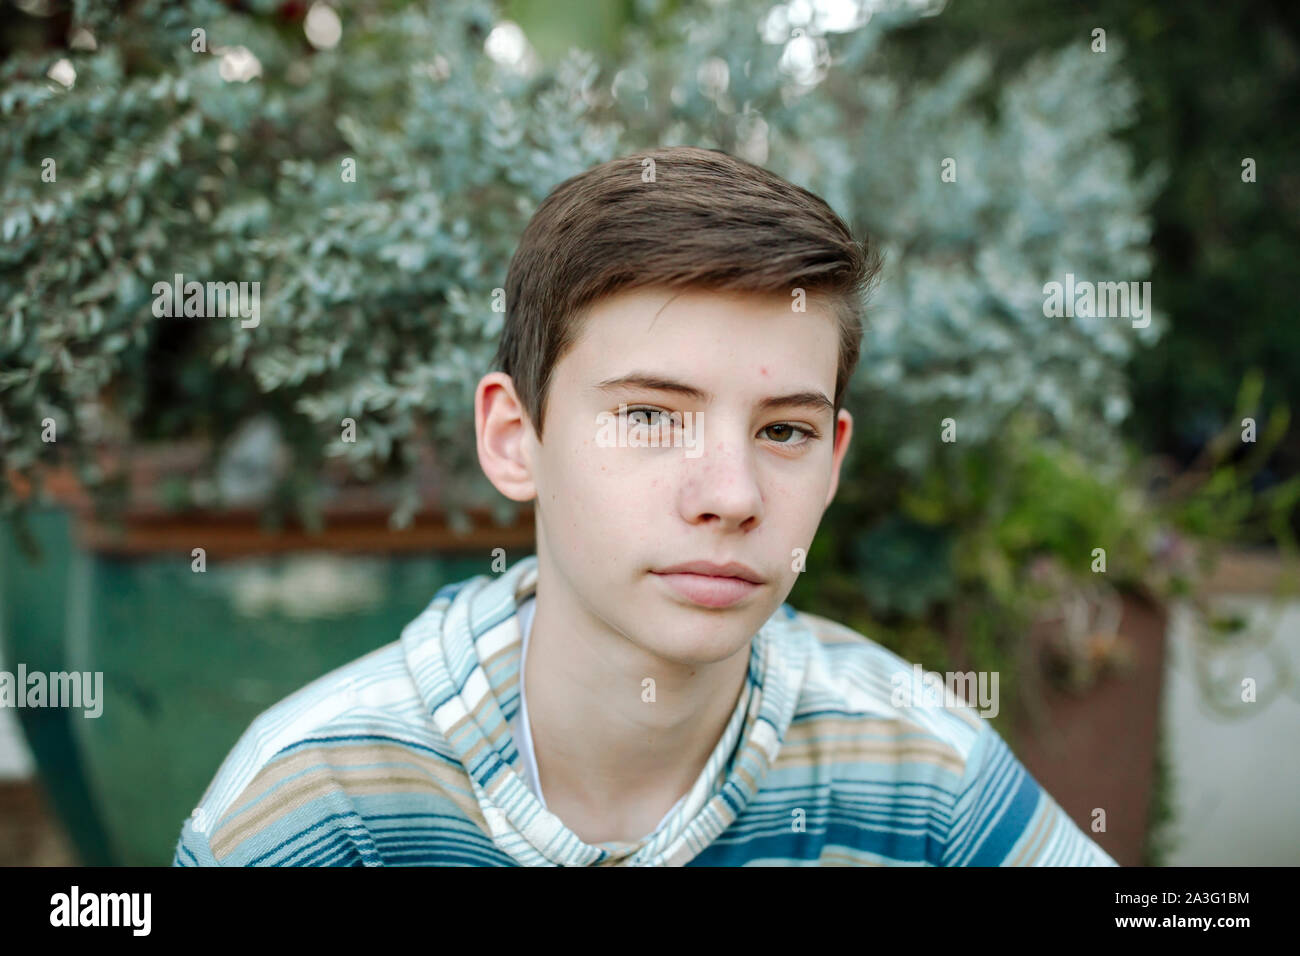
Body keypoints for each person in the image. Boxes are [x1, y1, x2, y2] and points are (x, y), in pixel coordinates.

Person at [173, 146, 1117, 866]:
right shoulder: (319, 802)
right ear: (513, 439)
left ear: (831, 465)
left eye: (783, 432)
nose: (731, 497)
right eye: (651, 417)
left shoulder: (921, 768)